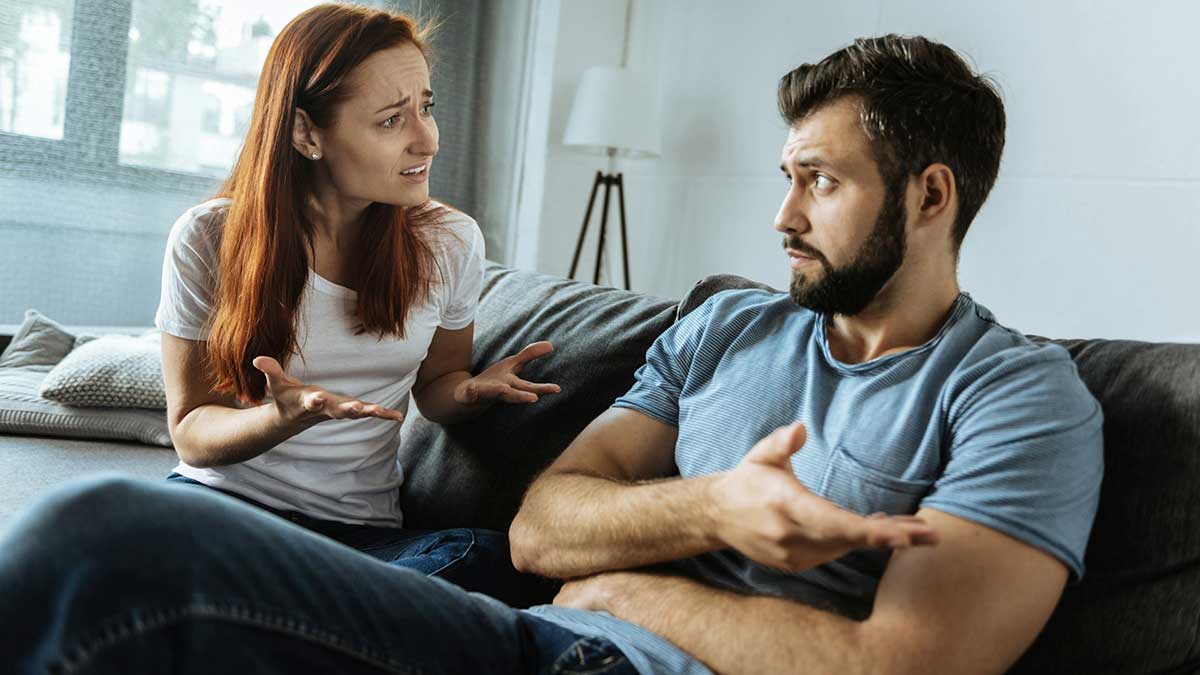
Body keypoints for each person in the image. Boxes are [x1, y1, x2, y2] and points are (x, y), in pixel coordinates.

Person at [0, 34, 1103, 675]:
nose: (782, 217)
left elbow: (900, 665)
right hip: (525, 632)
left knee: (105, 535)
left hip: (597, 655)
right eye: (785, 176)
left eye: (819, 181)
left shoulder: (1018, 397)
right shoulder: (731, 327)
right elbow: (540, 526)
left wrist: (627, 594)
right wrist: (715, 508)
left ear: (930, 195)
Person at [154, 3, 558, 600]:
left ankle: (283, 610)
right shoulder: (210, 236)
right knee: (104, 526)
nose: (428, 139)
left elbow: (437, 386)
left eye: (426, 107)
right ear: (305, 133)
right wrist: (282, 418)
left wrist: (468, 392)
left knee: (484, 557)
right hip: (222, 511)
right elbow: (191, 429)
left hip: (358, 538)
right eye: (391, 121)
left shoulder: (448, 241)